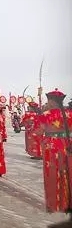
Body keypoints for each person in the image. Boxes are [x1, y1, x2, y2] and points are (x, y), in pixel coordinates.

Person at [34, 88, 72, 216]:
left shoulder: (46, 115)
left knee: (52, 174)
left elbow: (38, 132)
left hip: (52, 147)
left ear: (51, 101)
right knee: (66, 173)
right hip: (67, 145)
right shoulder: (69, 114)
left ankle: (54, 204)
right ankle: (67, 203)